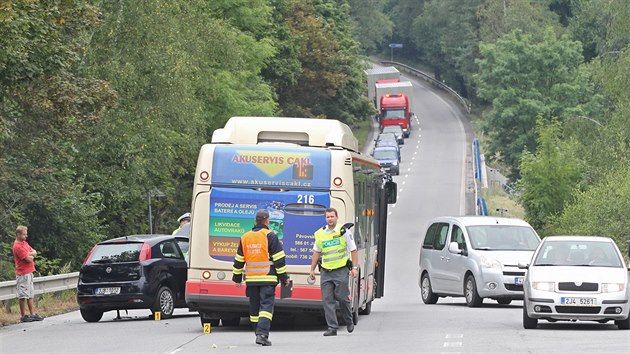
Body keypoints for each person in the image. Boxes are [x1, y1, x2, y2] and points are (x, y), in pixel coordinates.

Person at [232, 210, 289, 347]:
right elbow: (279, 260)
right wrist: (284, 278)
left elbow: (239, 260)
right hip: (267, 278)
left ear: (255, 221)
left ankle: (257, 331)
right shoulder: (270, 235)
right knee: (266, 307)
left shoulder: (245, 237)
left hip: (251, 279)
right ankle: (262, 334)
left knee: (254, 307)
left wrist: (237, 278)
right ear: (267, 221)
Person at [309, 207, 358, 337]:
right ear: (325, 218)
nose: (330, 219)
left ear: (337, 217)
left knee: (342, 298)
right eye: (328, 217)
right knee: (327, 300)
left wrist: (354, 268)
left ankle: (348, 320)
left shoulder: (344, 231)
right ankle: (332, 327)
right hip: (326, 271)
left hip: (341, 270)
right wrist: (312, 270)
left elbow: (353, 250)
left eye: (332, 217)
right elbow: (316, 253)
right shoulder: (319, 234)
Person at [12, 226, 44, 322]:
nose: (26, 236)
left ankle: (32, 314)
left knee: (30, 294)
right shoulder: (17, 246)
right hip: (23, 273)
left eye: (26, 234)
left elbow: (34, 252)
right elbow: (28, 259)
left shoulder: (24, 243)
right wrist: (30, 254)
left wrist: (30, 253)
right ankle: (23, 315)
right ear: (18, 234)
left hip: (29, 272)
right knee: (23, 295)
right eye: (24, 234)